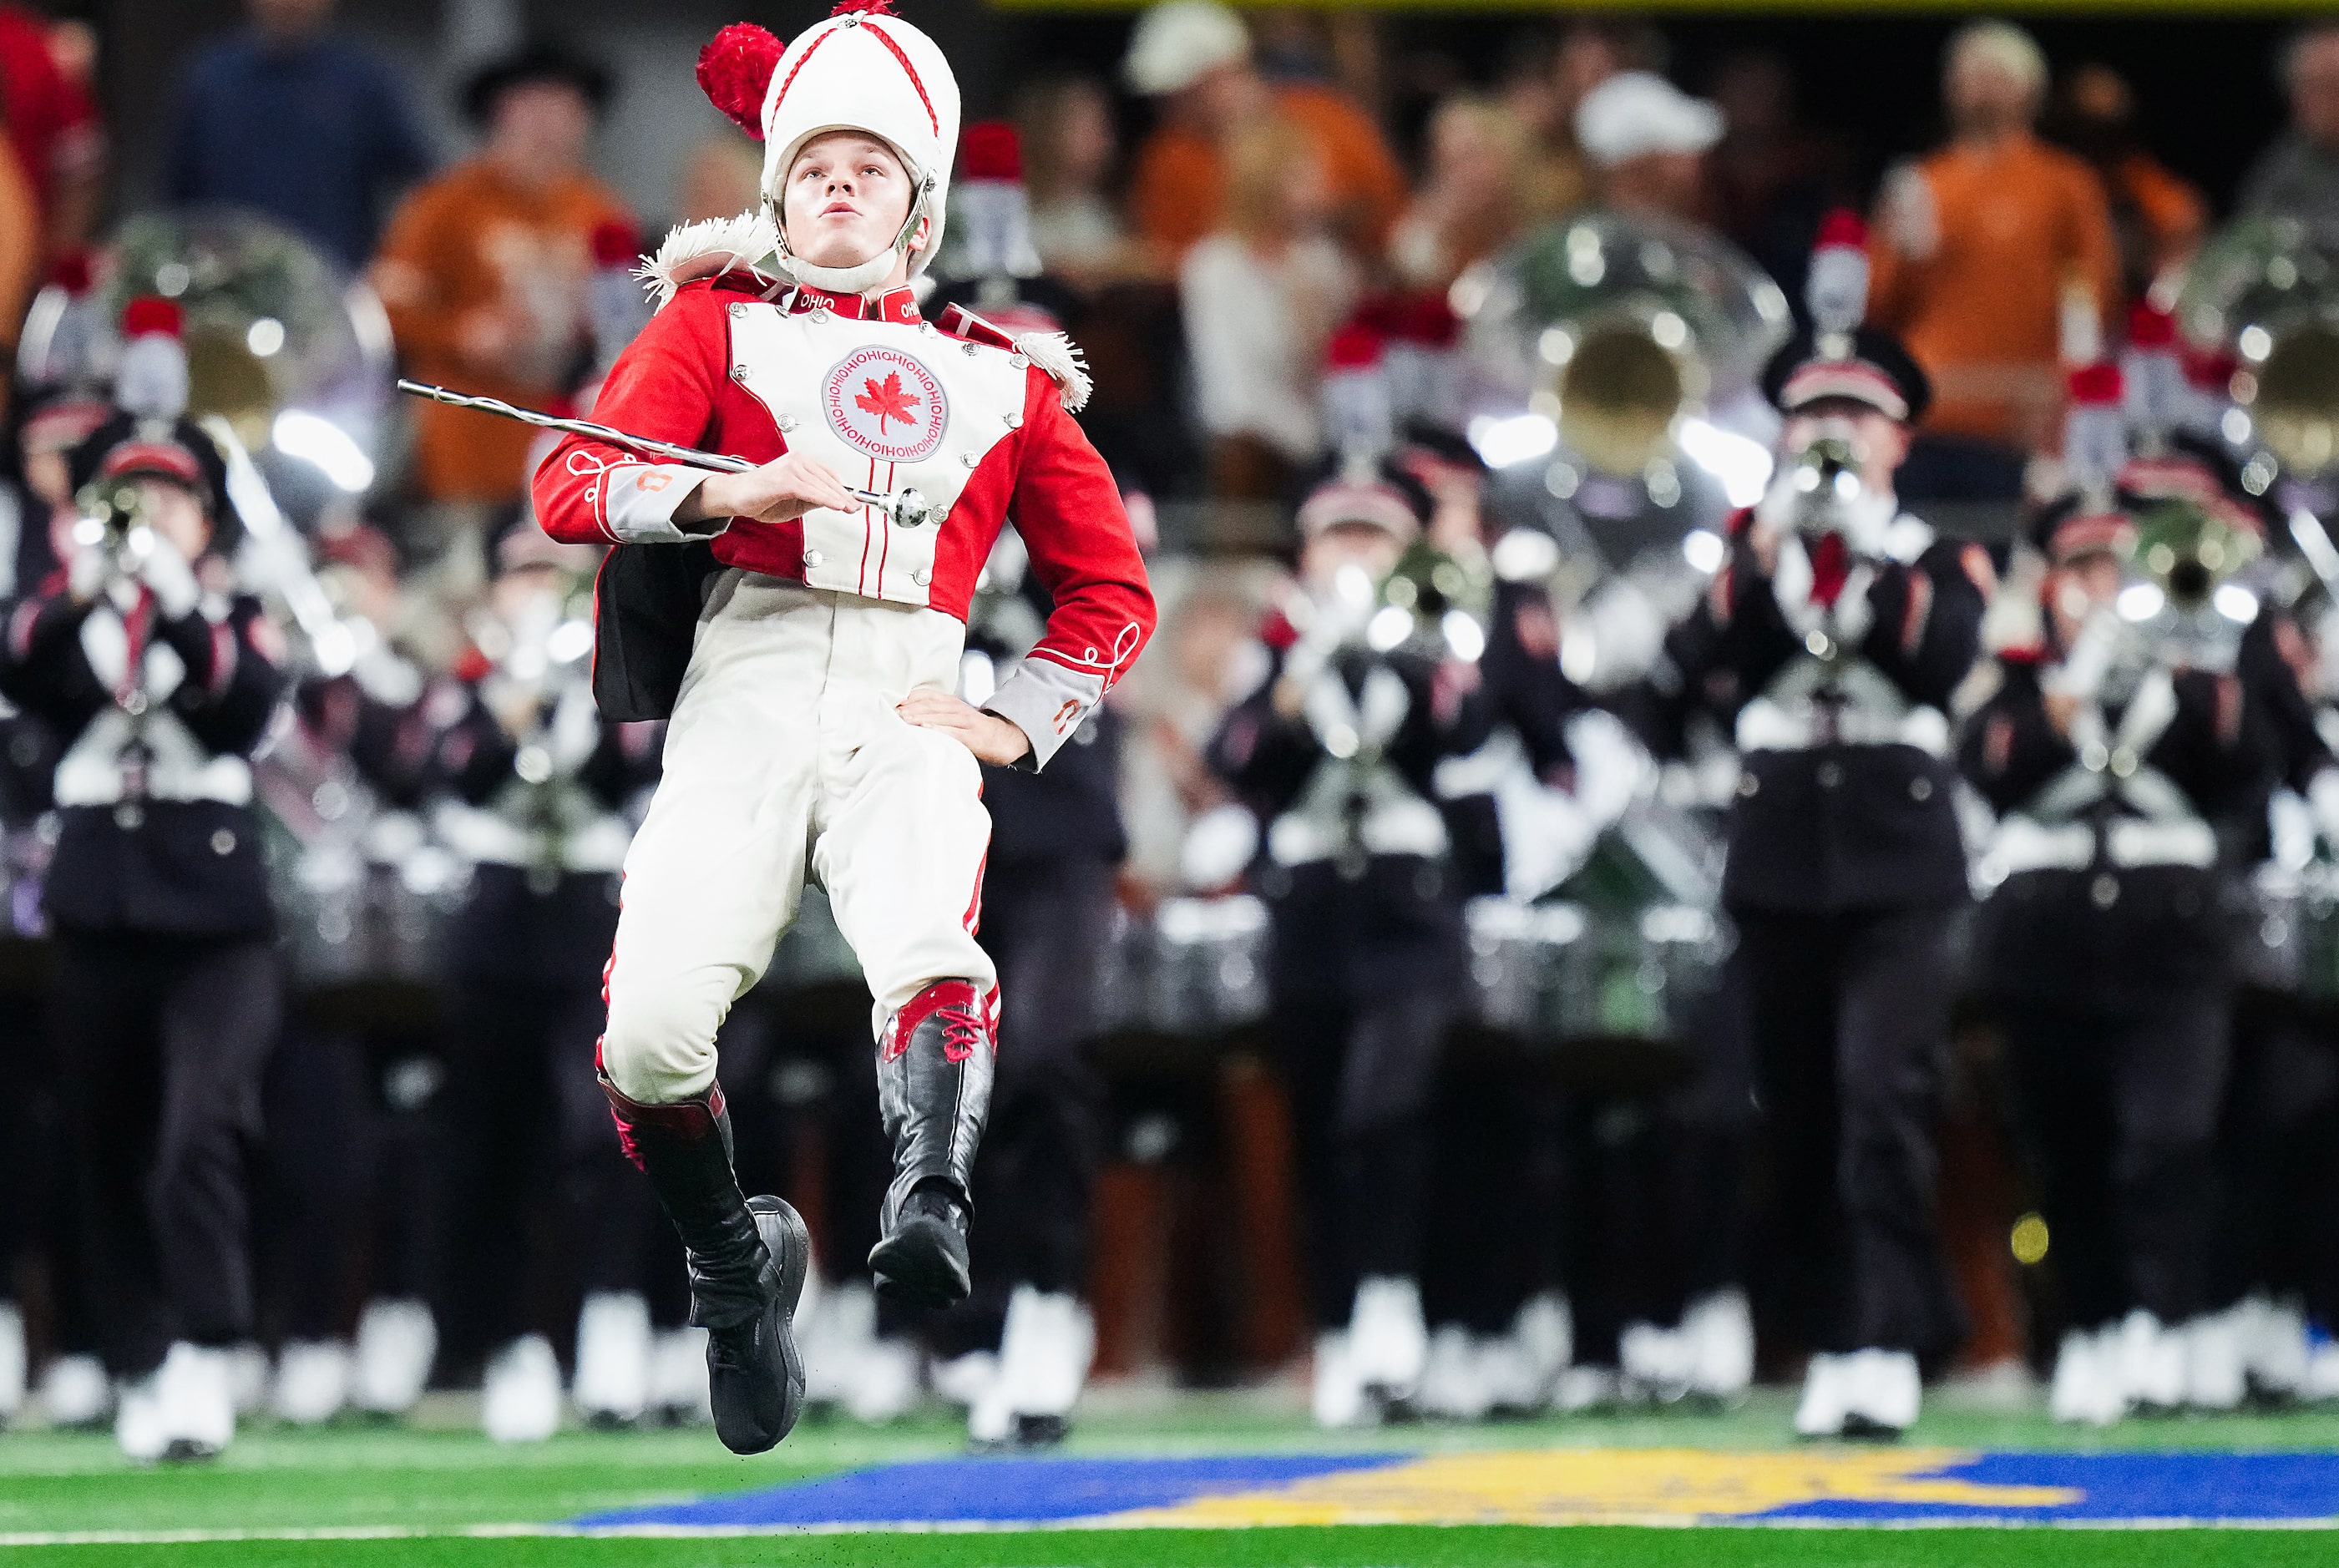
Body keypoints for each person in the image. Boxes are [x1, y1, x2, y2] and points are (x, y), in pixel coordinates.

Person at [527, 3, 1155, 1456]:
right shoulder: (711, 323)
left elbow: (1108, 587)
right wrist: (728, 495)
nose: (838, 189)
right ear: (774, 190)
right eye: (814, 168)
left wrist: (1021, 715)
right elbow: (571, 487)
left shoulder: (1006, 373)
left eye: (871, 170)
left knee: (933, 938)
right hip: (739, 689)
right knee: (649, 1037)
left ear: (919, 205)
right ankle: (735, 1276)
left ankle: (927, 1201)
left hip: (909, 686)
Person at [1653, 237, 1987, 1436]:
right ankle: (1835, 1327)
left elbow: (1943, 663)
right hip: (1781, 845)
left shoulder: (1938, 556)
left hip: (1898, 853)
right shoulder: (1750, 551)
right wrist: (1763, 560)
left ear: (1900, 438)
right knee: (1793, 1106)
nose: (1832, 437)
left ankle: (1889, 1335)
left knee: (1881, 1096)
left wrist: (1859, 562)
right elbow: (1679, 678)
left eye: (1858, 417)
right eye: (1813, 417)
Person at [0, 300, 288, 1460]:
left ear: (204, 517)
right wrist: (90, 582)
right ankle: (137, 1355)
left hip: (214, 909)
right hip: (98, 896)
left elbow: (242, 708)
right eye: (129, 495)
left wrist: (173, 593)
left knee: (198, 1131)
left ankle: (212, 1348)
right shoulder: (70, 617)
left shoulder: (236, 612)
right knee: (106, 1140)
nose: (146, 514)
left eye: (167, 497)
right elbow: (28, 673)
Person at [1961, 489, 2269, 1424]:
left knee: (2165, 1142)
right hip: (2047, 941)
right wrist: (2076, 675)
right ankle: (2091, 1327)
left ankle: (2163, 1323)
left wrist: (2178, 675)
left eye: (2114, 572)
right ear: (2054, 588)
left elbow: (2244, 766)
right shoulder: (2018, 689)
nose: (2102, 591)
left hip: (2166, 940)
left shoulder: (2195, 678)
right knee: (2067, 1154)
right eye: (2083, 574)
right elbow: (1994, 768)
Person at [1207, 464, 1476, 1426]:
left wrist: (1389, 651)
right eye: (1338, 535)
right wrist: (1304, 666)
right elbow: (1234, 759)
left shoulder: (1441, 636)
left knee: (1388, 1109)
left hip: (1407, 898)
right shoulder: (1279, 647)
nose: (1355, 553)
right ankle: (1339, 1325)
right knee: (1321, 1121)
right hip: (1312, 899)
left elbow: (1463, 733)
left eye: (1374, 535)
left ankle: (1398, 1307)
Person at [425, 527, 665, 1441]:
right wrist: (512, 707)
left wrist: (576, 701)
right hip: (494, 922)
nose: (542, 593)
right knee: (491, 1140)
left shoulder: (619, 681)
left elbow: (620, 782)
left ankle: (604, 1317)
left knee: (595, 1131)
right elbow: (454, 775)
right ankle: (510, 1342)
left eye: (559, 579)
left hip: (587, 918)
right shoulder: (472, 684)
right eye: (525, 573)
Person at [371, 45, 628, 552]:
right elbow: (384, 306)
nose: (548, 124)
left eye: (564, 107)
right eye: (531, 106)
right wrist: (461, 332)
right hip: (465, 453)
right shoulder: (443, 207)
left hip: (570, 457)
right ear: (496, 114)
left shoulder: (600, 210)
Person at [1866, 22, 2119, 463]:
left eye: (1997, 76)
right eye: (1970, 75)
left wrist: (2071, 381)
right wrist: (1898, 251)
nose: (1982, 88)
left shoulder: (2065, 185)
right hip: (1932, 405)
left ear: (2030, 91)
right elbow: (1876, 305)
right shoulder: (1920, 184)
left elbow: (2087, 289)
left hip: (2026, 407)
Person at [1121, 0, 1404, 269]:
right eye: (1163, 97)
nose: (1167, 108)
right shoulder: (1169, 159)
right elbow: (1167, 256)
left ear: (1229, 71)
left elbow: (1388, 219)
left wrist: (1325, 215)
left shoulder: (1324, 118)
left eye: (1183, 93)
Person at [165, 0, 435, 271]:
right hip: (233, 282)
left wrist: (399, 259)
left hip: (333, 280)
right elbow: (178, 199)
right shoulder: (212, 82)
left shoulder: (361, 82)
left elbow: (422, 179)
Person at [1178, 122, 1359, 500]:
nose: (1320, 188)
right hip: (1250, 443)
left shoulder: (1325, 264)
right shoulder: (1213, 266)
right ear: (1263, 182)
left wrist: (1314, 324)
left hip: (1324, 435)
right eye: (1303, 174)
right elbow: (1227, 386)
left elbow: (1342, 371)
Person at [2045, 64, 2205, 302]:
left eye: (2109, 130)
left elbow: (2183, 220)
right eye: (2087, 129)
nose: (2099, 142)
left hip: (2133, 307)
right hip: (2065, 300)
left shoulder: (2138, 176)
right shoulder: (2048, 179)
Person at [1388, 96, 1531, 291]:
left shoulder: (1538, 201)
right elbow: (1413, 272)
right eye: (1452, 164)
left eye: (1474, 156)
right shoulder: (1424, 232)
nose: (1467, 174)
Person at [1575, 69, 1720, 226]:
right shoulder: (1589, 247)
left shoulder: (1685, 242)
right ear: (1636, 168)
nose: (1697, 163)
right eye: (1680, 150)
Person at [2239, 22, 2339, 237]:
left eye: (2328, 86)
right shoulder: (2284, 165)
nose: (2310, 100)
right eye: (2305, 87)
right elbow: (2254, 237)